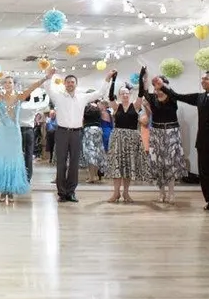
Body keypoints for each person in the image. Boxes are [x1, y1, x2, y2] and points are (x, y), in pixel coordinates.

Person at [153, 71, 209, 212]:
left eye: (206, 78)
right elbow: (177, 96)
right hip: (203, 140)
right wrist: (162, 87)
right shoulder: (199, 97)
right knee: (205, 172)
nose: (203, 80)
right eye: (202, 78)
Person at [0, 68, 52, 203]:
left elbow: (33, 86)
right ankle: (3, 191)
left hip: (14, 133)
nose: (8, 84)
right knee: (2, 160)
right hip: (2, 133)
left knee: (13, 160)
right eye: (6, 83)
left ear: (14, 84)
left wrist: (45, 78)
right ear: (3, 85)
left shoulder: (20, 97)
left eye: (10, 82)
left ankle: (10, 191)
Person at [45, 70, 114, 203]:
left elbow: (99, 93)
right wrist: (49, 77)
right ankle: (61, 193)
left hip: (77, 132)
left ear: (76, 84)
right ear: (64, 84)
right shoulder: (58, 96)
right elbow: (48, 88)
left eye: (72, 82)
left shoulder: (82, 97)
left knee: (74, 164)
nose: (70, 84)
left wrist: (107, 78)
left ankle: (71, 192)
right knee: (61, 163)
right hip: (62, 132)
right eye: (68, 82)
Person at [138, 70, 186, 204]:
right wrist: (144, 77)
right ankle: (161, 193)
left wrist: (161, 84)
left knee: (171, 164)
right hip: (157, 132)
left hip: (171, 131)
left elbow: (170, 92)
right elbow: (143, 90)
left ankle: (171, 193)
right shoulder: (152, 98)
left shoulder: (172, 97)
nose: (158, 87)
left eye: (161, 84)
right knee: (158, 164)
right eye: (156, 85)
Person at [106, 76, 149, 203]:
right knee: (117, 165)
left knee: (129, 166)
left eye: (127, 93)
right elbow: (110, 96)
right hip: (118, 138)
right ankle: (115, 193)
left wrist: (141, 78)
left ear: (130, 94)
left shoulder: (135, 105)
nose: (125, 95)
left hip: (132, 139)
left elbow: (141, 93)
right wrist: (113, 80)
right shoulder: (116, 106)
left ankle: (126, 193)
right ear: (119, 95)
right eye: (122, 93)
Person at [79, 101, 106, 184]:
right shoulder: (98, 108)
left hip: (88, 130)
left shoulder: (86, 108)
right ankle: (95, 175)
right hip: (98, 130)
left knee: (90, 154)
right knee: (97, 153)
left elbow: (82, 119)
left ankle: (91, 177)